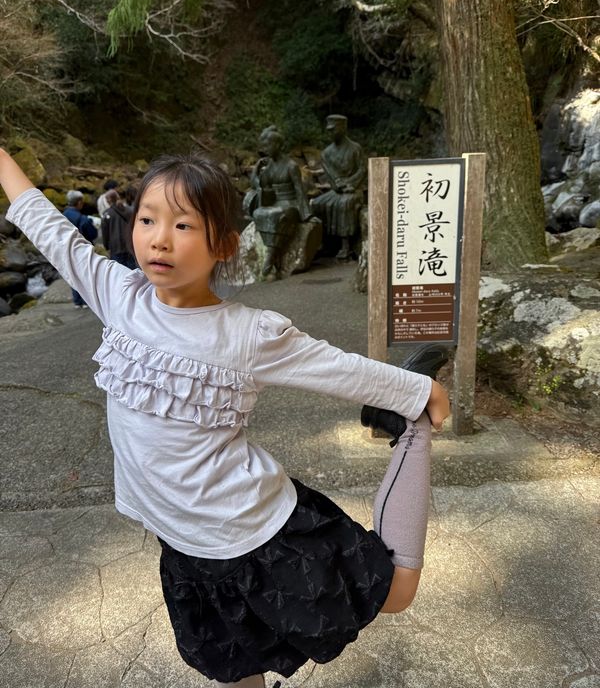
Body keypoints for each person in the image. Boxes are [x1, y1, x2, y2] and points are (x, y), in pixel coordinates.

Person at [0, 147, 450, 688]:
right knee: (233, 668)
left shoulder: (249, 333)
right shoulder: (118, 295)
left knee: (394, 593)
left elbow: (334, 367)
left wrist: (416, 389)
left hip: (255, 530)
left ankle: (412, 434)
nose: (159, 238)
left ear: (224, 246)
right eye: (147, 219)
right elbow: (47, 226)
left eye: (183, 224)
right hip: (184, 545)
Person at [249, 125, 318, 279]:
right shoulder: (268, 166)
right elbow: (258, 185)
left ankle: (270, 258)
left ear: (278, 145)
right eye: (265, 145)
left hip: (289, 202)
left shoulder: (291, 166)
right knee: (258, 213)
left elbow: (299, 190)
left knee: (277, 217)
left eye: (269, 145)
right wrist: (256, 170)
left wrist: (306, 214)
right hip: (275, 202)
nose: (265, 149)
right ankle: (272, 259)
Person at [310, 115, 366, 260]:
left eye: (333, 130)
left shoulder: (355, 148)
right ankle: (324, 243)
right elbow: (331, 175)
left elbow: (362, 169)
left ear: (343, 128)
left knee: (344, 204)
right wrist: (338, 185)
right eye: (329, 130)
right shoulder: (326, 153)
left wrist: (350, 184)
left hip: (354, 189)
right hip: (337, 189)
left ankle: (345, 246)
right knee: (317, 203)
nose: (330, 133)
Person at [62, 189, 98, 308]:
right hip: (82, 250)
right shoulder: (82, 218)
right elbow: (93, 234)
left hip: (67, 249)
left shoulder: (63, 215)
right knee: (85, 275)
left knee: (72, 274)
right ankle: (85, 300)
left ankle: (77, 301)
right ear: (78, 202)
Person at [100, 189, 137, 269]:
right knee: (132, 271)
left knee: (118, 272)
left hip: (116, 247)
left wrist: (106, 246)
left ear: (108, 200)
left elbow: (105, 233)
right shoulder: (130, 210)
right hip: (130, 245)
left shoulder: (106, 214)